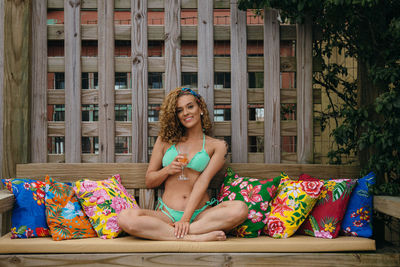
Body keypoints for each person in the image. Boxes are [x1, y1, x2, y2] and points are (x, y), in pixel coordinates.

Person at [118, 87, 248, 241]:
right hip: (166, 214)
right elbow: (150, 181)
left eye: (190, 106)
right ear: (176, 116)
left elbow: (203, 181)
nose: (186, 113)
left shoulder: (218, 146)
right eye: (180, 110)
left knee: (240, 208)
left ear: (200, 108)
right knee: (125, 217)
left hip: (201, 214)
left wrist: (185, 220)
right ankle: (192, 238)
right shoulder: (164, 141)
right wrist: (167, 170)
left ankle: (180, 232)